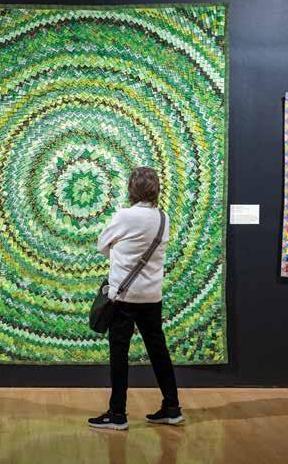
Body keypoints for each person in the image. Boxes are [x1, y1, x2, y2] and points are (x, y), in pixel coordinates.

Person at [88, 167, 184, 431]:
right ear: (156, 190)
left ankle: (117, 413)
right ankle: (172, 407)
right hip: (152, 296)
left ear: (131, 189)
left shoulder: (124, 216)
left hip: (124, 297)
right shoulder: (163, 218)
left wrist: (120, 253)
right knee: (158, 350)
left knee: (119, 354)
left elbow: (102, 245)